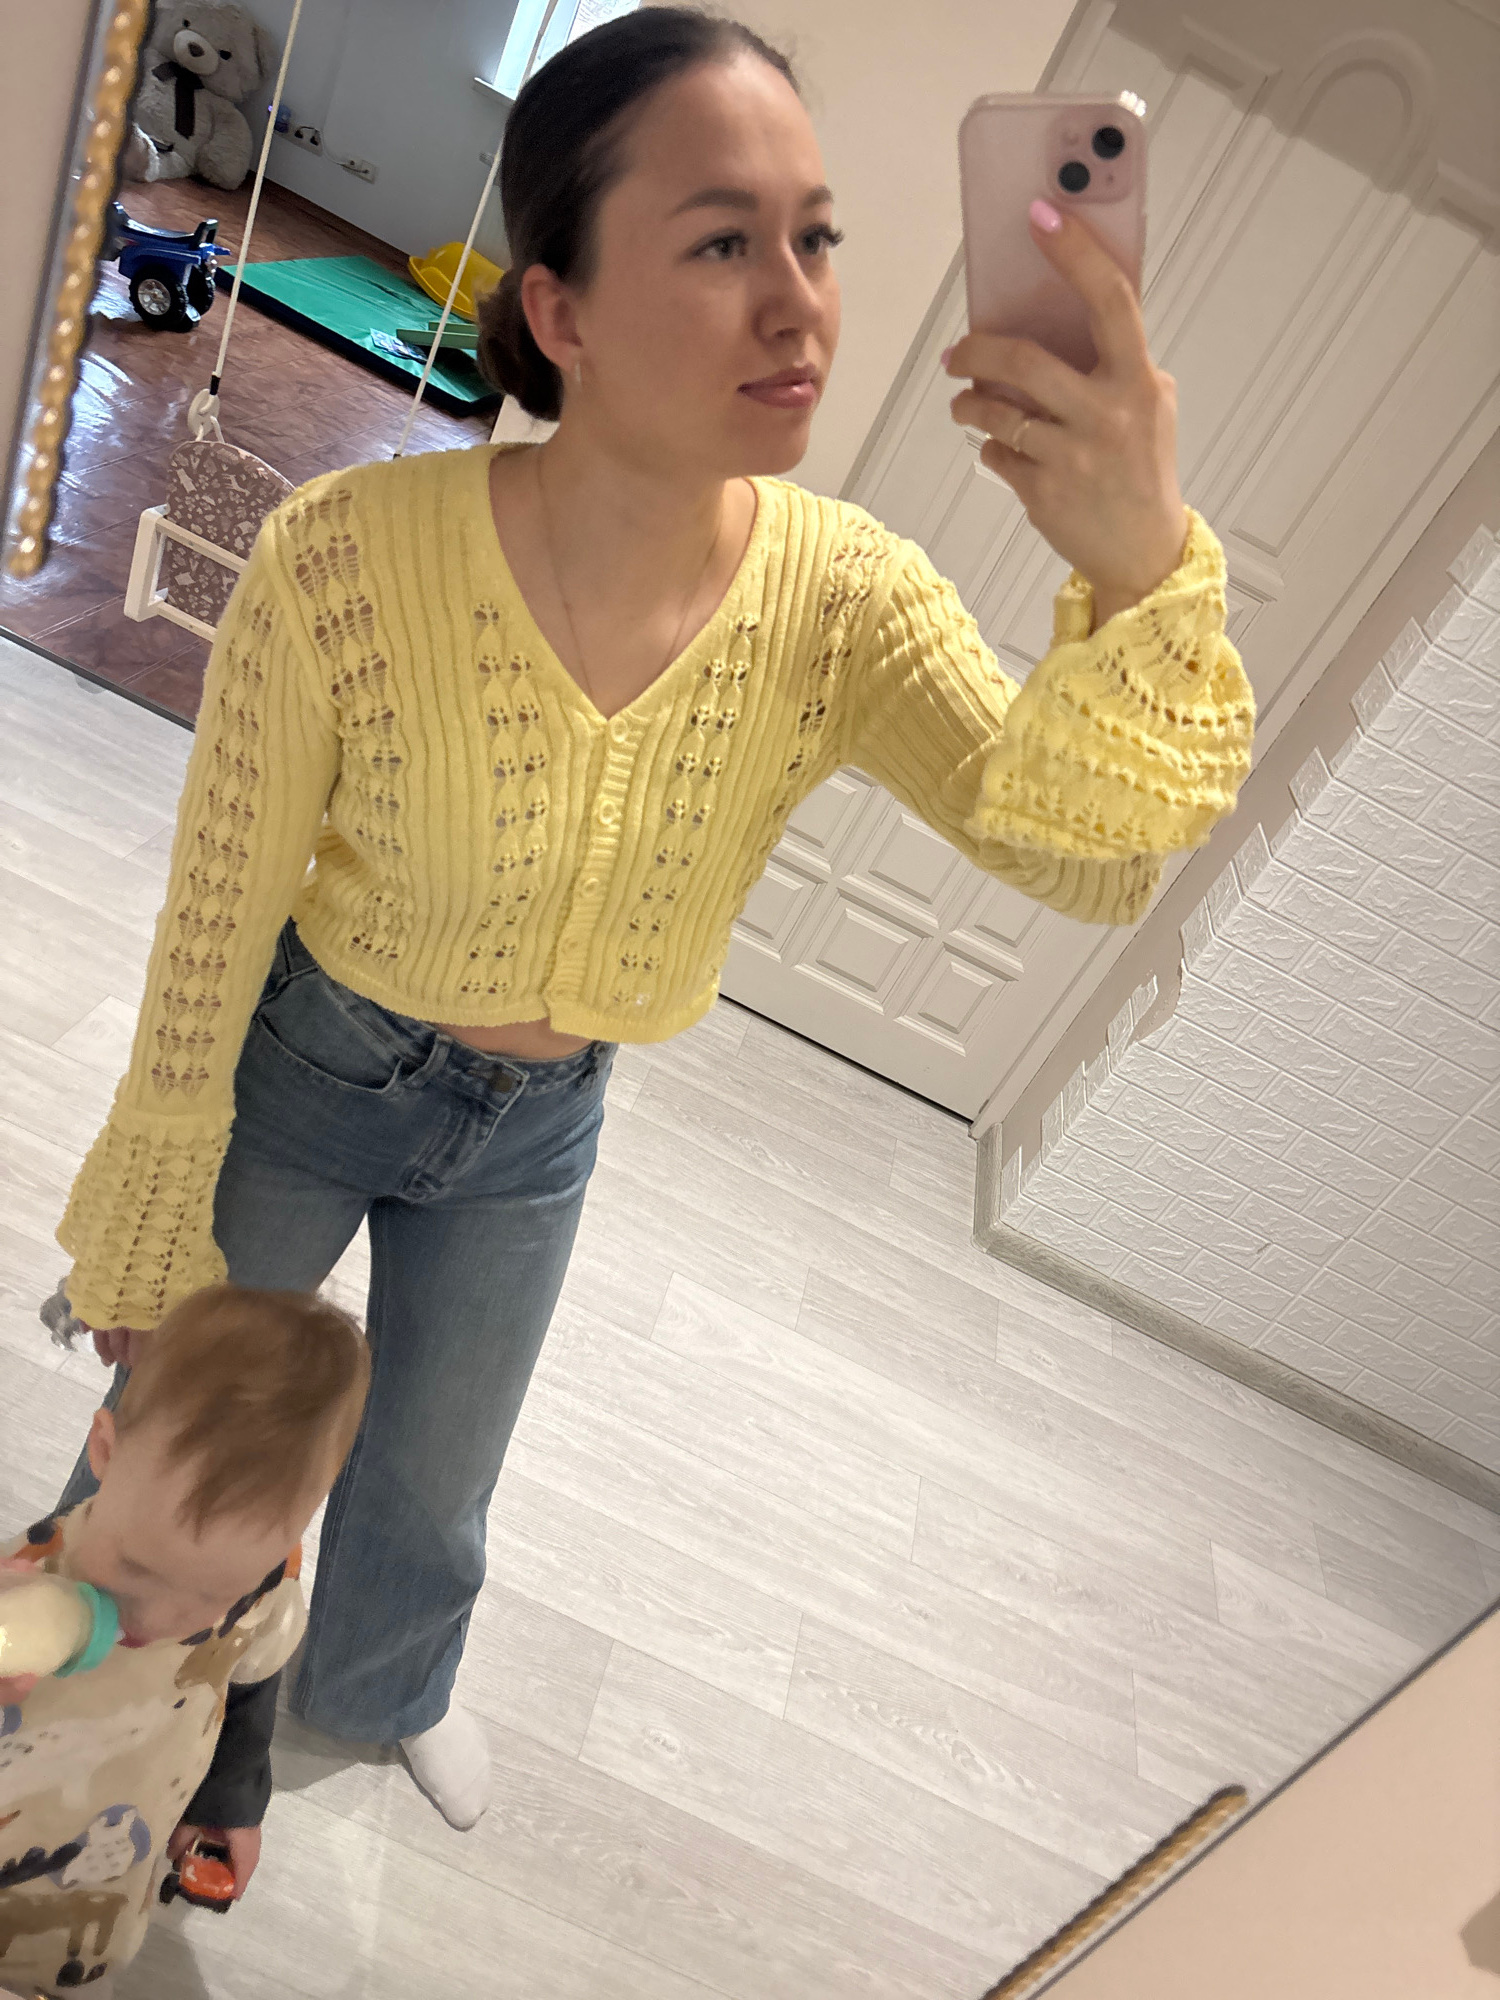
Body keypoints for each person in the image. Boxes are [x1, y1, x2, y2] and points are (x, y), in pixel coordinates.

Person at [48, 8, 1254, 1832]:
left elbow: (1083, 859)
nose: (800, 302)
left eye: (816, 237)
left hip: (541, 1127)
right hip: (308, 1068)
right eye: (722, 241)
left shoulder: (845, 600)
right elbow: (216, 912)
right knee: (181, 1446)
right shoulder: (346, 561)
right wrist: (155, 1186)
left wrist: (1141, 563)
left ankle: (365, 1703)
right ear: (563, 306)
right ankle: (82, 1720)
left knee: (435, 1487)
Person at [0, 1285, 369, 2000]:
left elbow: (248, 1683)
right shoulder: (28, 1585)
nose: (164, 1620)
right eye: (138, 1568)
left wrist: (229, 1800)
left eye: (211, 1594)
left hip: (100, 1884)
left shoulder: (260, 1594)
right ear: (104, 1450)